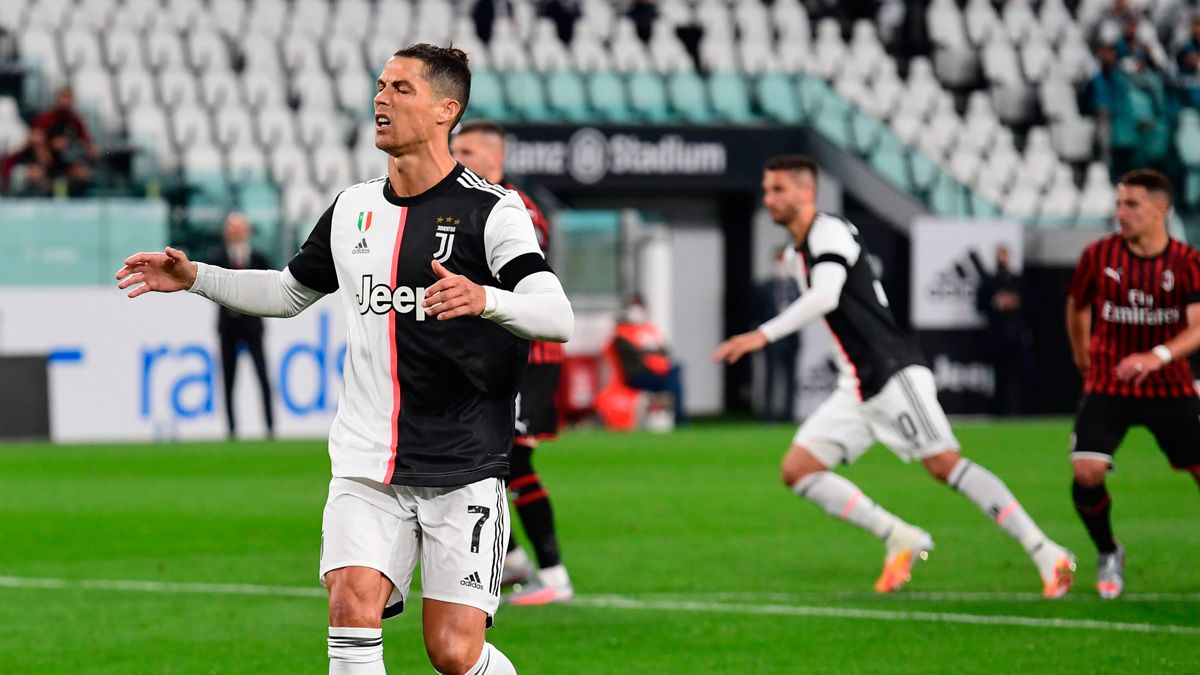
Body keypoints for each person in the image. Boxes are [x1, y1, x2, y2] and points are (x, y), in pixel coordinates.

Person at [117, 44, 574, 675]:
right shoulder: (352, 208)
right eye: (380, 85)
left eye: (402, 89)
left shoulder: (493, 213)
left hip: (463, 464)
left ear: (447, 110)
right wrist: (197, 277)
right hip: (365, 462)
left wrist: (484, 297)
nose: (381, 98)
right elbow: (286, 293)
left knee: (452, 653)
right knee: (351, 604)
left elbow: (557, 315)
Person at [714, 155, 1075, 597]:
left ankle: (1046, 551)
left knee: (943, 464)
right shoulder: (795, 254)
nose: (768, 198)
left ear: (806, 193)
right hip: (859, 384)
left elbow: (827, 295)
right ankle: (898, 536)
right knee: (799, 469)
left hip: (892, 372)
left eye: (778, 189)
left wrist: (762, 335)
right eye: (767, 190)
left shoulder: (830, 231)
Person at [451, 118, 573, 606]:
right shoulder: (463, 205)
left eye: (468, 153)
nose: (456, 159)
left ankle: (553, 576)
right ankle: (517, 560)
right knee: (488, 458)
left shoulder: (515, 207)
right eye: (454, 150)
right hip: (495, 352)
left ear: (495, 161)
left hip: (530, 354)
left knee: (514, 456)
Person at [1065, 168, 1200, 600]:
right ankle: (1108, 551)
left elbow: (1198, 327)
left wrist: (1156, 356)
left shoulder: (1186, 261)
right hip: (1110, 381)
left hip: (1171, 384)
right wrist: (1082, 353)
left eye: (1131, 205)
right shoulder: (1099, 254)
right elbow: (1078, 304)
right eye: (1119, 203)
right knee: (1086, 470)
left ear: (1161, 209)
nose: (1120, 213)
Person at [210, 212, 275, 439]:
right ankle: (231, 429)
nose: (236, 233)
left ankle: (270, 427)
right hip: (228, 326)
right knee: (228, 379)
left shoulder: (259, 259)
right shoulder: (217, 259)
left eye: (240, 228)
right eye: (232, 228)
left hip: (253, 325)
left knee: (263, 376)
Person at [973, 245, 1033, 416]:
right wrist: (996, 303)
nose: (1002, 259)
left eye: (1005, 254)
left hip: (1018, 336)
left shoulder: (1018, 281)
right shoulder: (989, 283)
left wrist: (1015, 302)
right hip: (997, 337)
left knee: (1024, 375)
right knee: (998, 377)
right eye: (999, 255)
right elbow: (980, 305)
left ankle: (1025, 412)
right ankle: (998, 413)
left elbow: (1031, 306)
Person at [611, 295, 687, 427]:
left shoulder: (648, 329)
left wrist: (650, 351)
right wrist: (651, 350)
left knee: (677, 369)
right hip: (637, 375)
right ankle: (680, 420)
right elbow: (635, 354)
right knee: (673, 383)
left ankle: (678, 419)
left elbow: (665, 349)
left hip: (656, 372)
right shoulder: (621, 334)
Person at [753, 245, 801, 421]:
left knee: (791, 377)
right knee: (770, 376)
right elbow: (756, 313)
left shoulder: (796, 286)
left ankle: (790, 413)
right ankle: (768, 414)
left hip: (792, 338)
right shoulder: (765, 287)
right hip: (772, 339)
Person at [31, 86, 96, 196]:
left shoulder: (75, 120)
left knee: (83, 173)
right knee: (35, 173)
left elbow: (87, 142)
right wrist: (50, 145)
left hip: (67, 163)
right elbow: (34, 139)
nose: (66, 101)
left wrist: (79, 147)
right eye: (64, 97)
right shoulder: (46, 118)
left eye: (69, 98)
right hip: (48, 164)